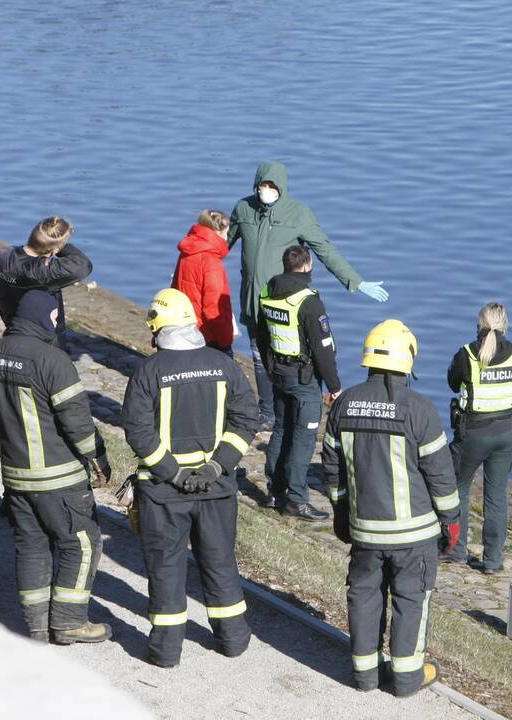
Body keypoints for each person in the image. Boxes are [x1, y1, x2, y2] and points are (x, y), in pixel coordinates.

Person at [121, 288, 259, 668]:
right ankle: (233, 639)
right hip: (217, 489)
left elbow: (137, 430)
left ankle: (166, 652)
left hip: (164, 493)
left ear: (157, 326)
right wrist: (217, 465)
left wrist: (173, 472)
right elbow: (247, 418)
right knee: (219, 563)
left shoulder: (149, 371)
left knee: (166, 567)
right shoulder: (223, 365)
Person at [322, 320, 458, 696]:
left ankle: (365, 675)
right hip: (414, 536)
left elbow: (332, 469)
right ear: (407, 360)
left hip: (365, 531)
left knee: (364, 596)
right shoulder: (420, 409)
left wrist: (341, 512)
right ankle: (406, 679)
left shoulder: (344, 404)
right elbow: (441, 477)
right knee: (411, 600)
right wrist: (452, 522)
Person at [0, 290, 113, 644]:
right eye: (55, 318)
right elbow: (78, 424)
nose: (57, 324)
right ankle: (69, 621)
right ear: (43, 318)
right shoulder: (53, 361)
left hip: (17, 477)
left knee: (31, 545)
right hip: (59, 478)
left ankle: (36, 626)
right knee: (81, 543)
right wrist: (99, 459)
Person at [227, 161, 389, 429]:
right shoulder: (244, 209)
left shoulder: (298, 214)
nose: (266, 190)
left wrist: (355, 281)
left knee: (288, 358)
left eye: (271, 186)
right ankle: (267, 412)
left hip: (285, 303)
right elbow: (222, 244)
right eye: (262, 185)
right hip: (253, 301)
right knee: (259, 358)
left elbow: (325, 249)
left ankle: (292, 409)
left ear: (281, 188)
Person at [257, 246, 340, 521]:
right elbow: (323, 347)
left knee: (281, 430)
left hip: (278, 375)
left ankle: (274, 490)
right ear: (307, 266)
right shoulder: (308, 301)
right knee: (304, 439)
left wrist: (270, 368)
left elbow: (261, 336)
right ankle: (296, 498)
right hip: (304, 380)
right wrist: (334, 384)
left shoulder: (268, 293)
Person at [442, 302, 512, 573]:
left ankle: (455, 549)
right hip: (508, 431)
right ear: (505, 325)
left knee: (459, 489)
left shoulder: (467, 354)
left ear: (479, 324)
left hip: (474, 433)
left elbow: (453, 383)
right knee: (496, 495)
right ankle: (492, 560)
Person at [0, 216, 92, 349]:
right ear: (54, 251)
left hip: (12, 325)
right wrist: (60, 246)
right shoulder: (42, 273)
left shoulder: (2, 256)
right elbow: (82, 265)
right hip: (44, 337)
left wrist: (50, 244)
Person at [171, 209, 235, 352]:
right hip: (209, 335)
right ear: (218, 233)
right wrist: (225, 340)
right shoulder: (211, 261)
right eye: (226, 233)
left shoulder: (188, 251)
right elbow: (213, 309)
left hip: (188, 328)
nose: (226, 238)